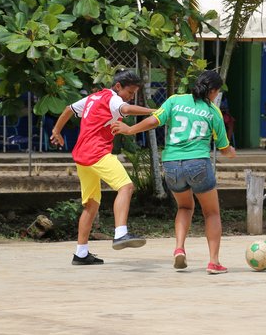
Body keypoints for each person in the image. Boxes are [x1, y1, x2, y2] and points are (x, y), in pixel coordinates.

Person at [111, 70, 236, 275]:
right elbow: (224, 148)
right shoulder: (213, 111)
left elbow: (153, 121)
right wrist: (231, 153)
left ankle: (179, 248)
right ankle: (214, 262)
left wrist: (129, 130)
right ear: (213, 91)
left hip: (171, 164)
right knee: (211, 212)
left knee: (185, 207)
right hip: (198, 163)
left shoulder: (174, 101)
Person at [50, 70, 155, 265]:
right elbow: (127, 110)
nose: (131, 97)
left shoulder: (94, 97)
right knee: (126, 186)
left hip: (81, 156)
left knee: (91, 204)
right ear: (118, 87)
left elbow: (68, 109)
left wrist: (56, 130)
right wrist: (155, 112)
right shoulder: (113, 99)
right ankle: (121, 232)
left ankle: (80, 253)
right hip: (97, 153)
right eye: (130, 93)